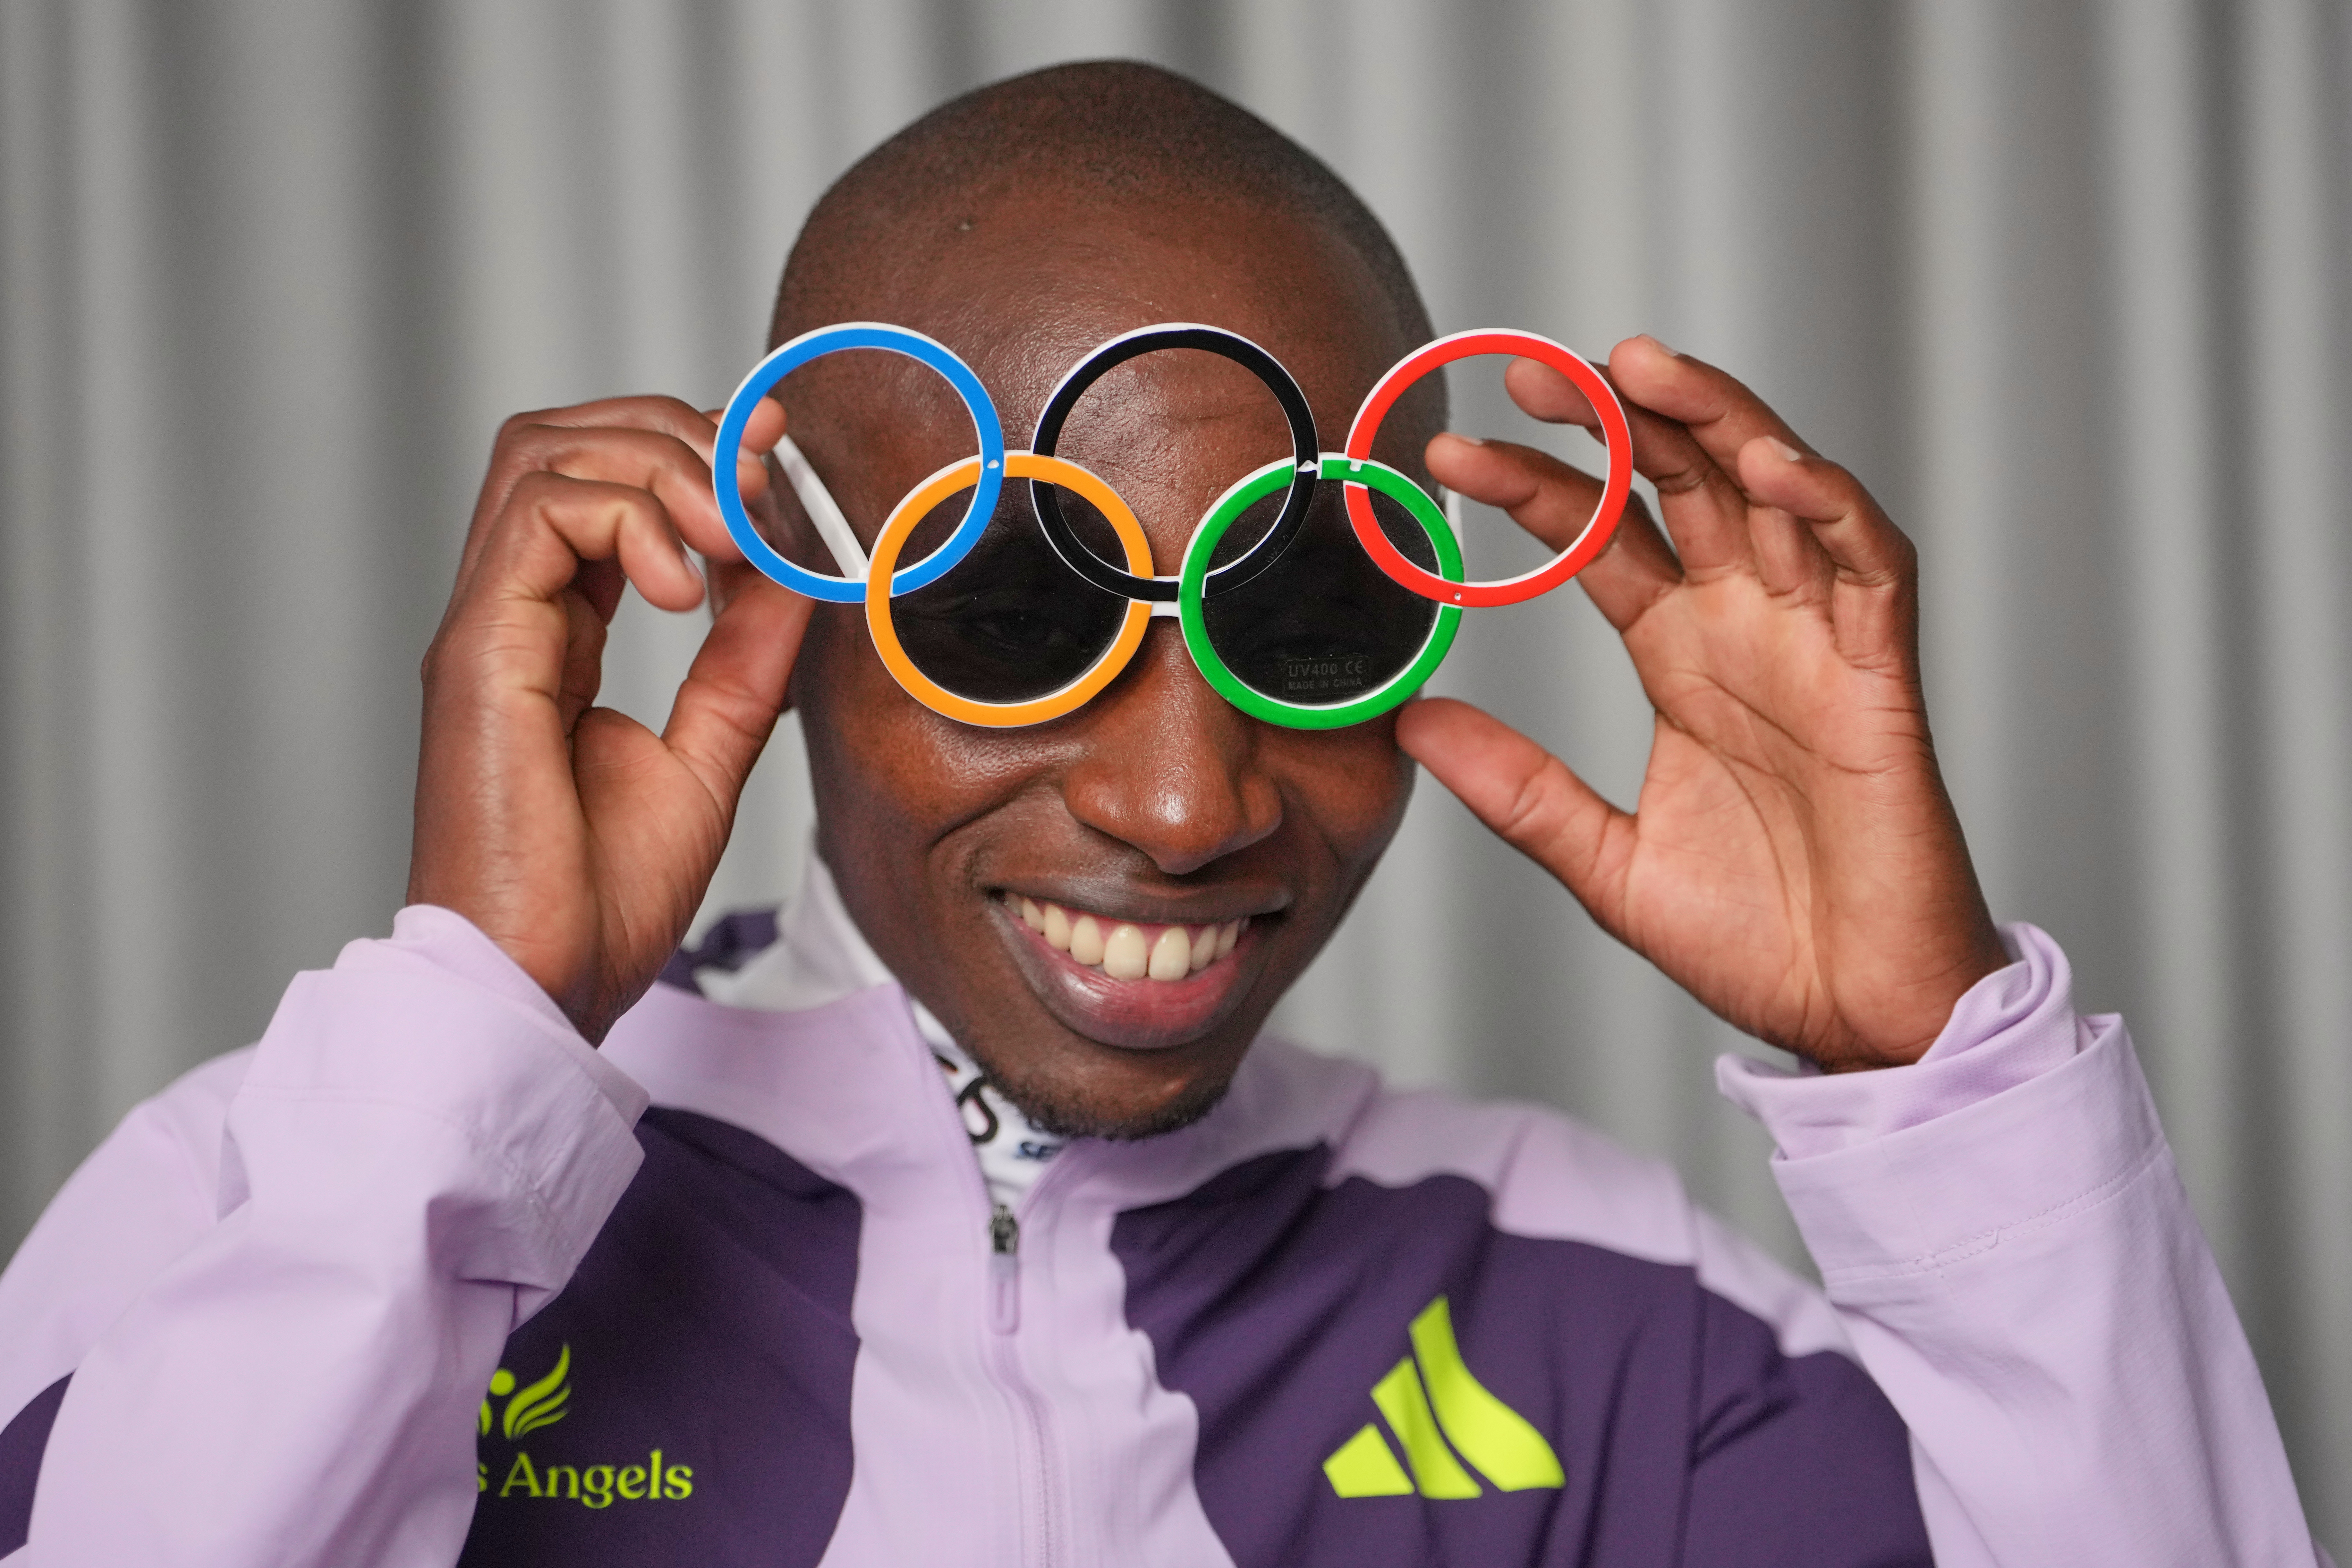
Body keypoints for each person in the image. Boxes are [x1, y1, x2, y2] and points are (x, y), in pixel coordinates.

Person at [0, 60, 2323, 1568]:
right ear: (781, 593)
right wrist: (469, 1056)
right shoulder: (279, 1198)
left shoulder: (1594, 1313)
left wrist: (1939, 1080)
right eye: (1016, 612)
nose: (1187, 798)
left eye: (1304, 616)